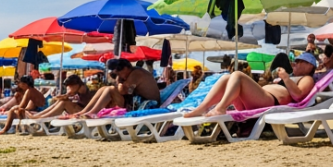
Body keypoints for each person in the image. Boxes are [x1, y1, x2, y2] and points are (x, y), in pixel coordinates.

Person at [183, 52, 318, 118]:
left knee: (238, 75)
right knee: (226, 77)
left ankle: (221, 108)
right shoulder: (293, 77)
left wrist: (286, 78)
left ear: (310, 66)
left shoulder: (307, 78)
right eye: (296, 61)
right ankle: (202, 108)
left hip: (270, 101)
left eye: (300, 61)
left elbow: (298, 95)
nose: (295, 63)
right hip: (257, 100)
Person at [71, 59, 161, 118]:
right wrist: (120, 80)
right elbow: (126, 91)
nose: (120, 75)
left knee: (110, 89)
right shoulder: (132, 73)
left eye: (119, 73)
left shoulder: (136, 74)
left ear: (126, 68)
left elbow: (124, 91)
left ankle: (92, 112)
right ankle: (84, 112)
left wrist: (119, 80)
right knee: (104, 88)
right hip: (138, 101)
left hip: (147, 104)